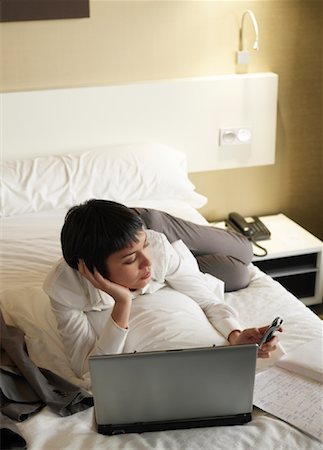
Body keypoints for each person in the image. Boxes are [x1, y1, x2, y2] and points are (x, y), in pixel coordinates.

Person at [43, 199, 282, 378]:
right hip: (151, 250)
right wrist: (122, 303)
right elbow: (86, 368)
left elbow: (207, 301)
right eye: (129, 260)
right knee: (236, 273)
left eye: (143, 249)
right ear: (92, 269)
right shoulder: (66, 291)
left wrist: (235, 335)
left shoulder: (155, 248)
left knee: (244, 253)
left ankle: (148, 217)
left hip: (156, 229)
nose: (147, 263)